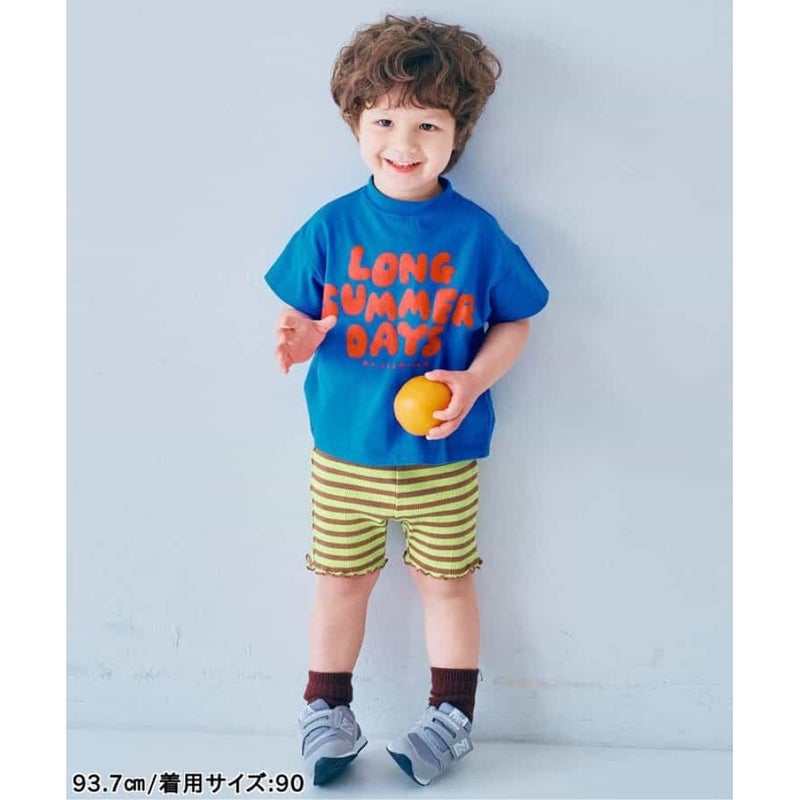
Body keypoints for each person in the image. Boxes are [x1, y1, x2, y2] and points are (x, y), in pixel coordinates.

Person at [264, 14, 549, 787]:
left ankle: (451, 717)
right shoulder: (332, 227)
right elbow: (297, 313)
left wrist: (475, 379)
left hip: (443, 458)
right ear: (356, 123)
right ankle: (326, 709)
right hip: (344, 454)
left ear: (459, 133)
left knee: (447, 584)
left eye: (428, 123)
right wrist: (298, 336)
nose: (405, 141)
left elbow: (517, 320)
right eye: (385, 120)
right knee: (340, 582)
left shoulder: (476, 234)